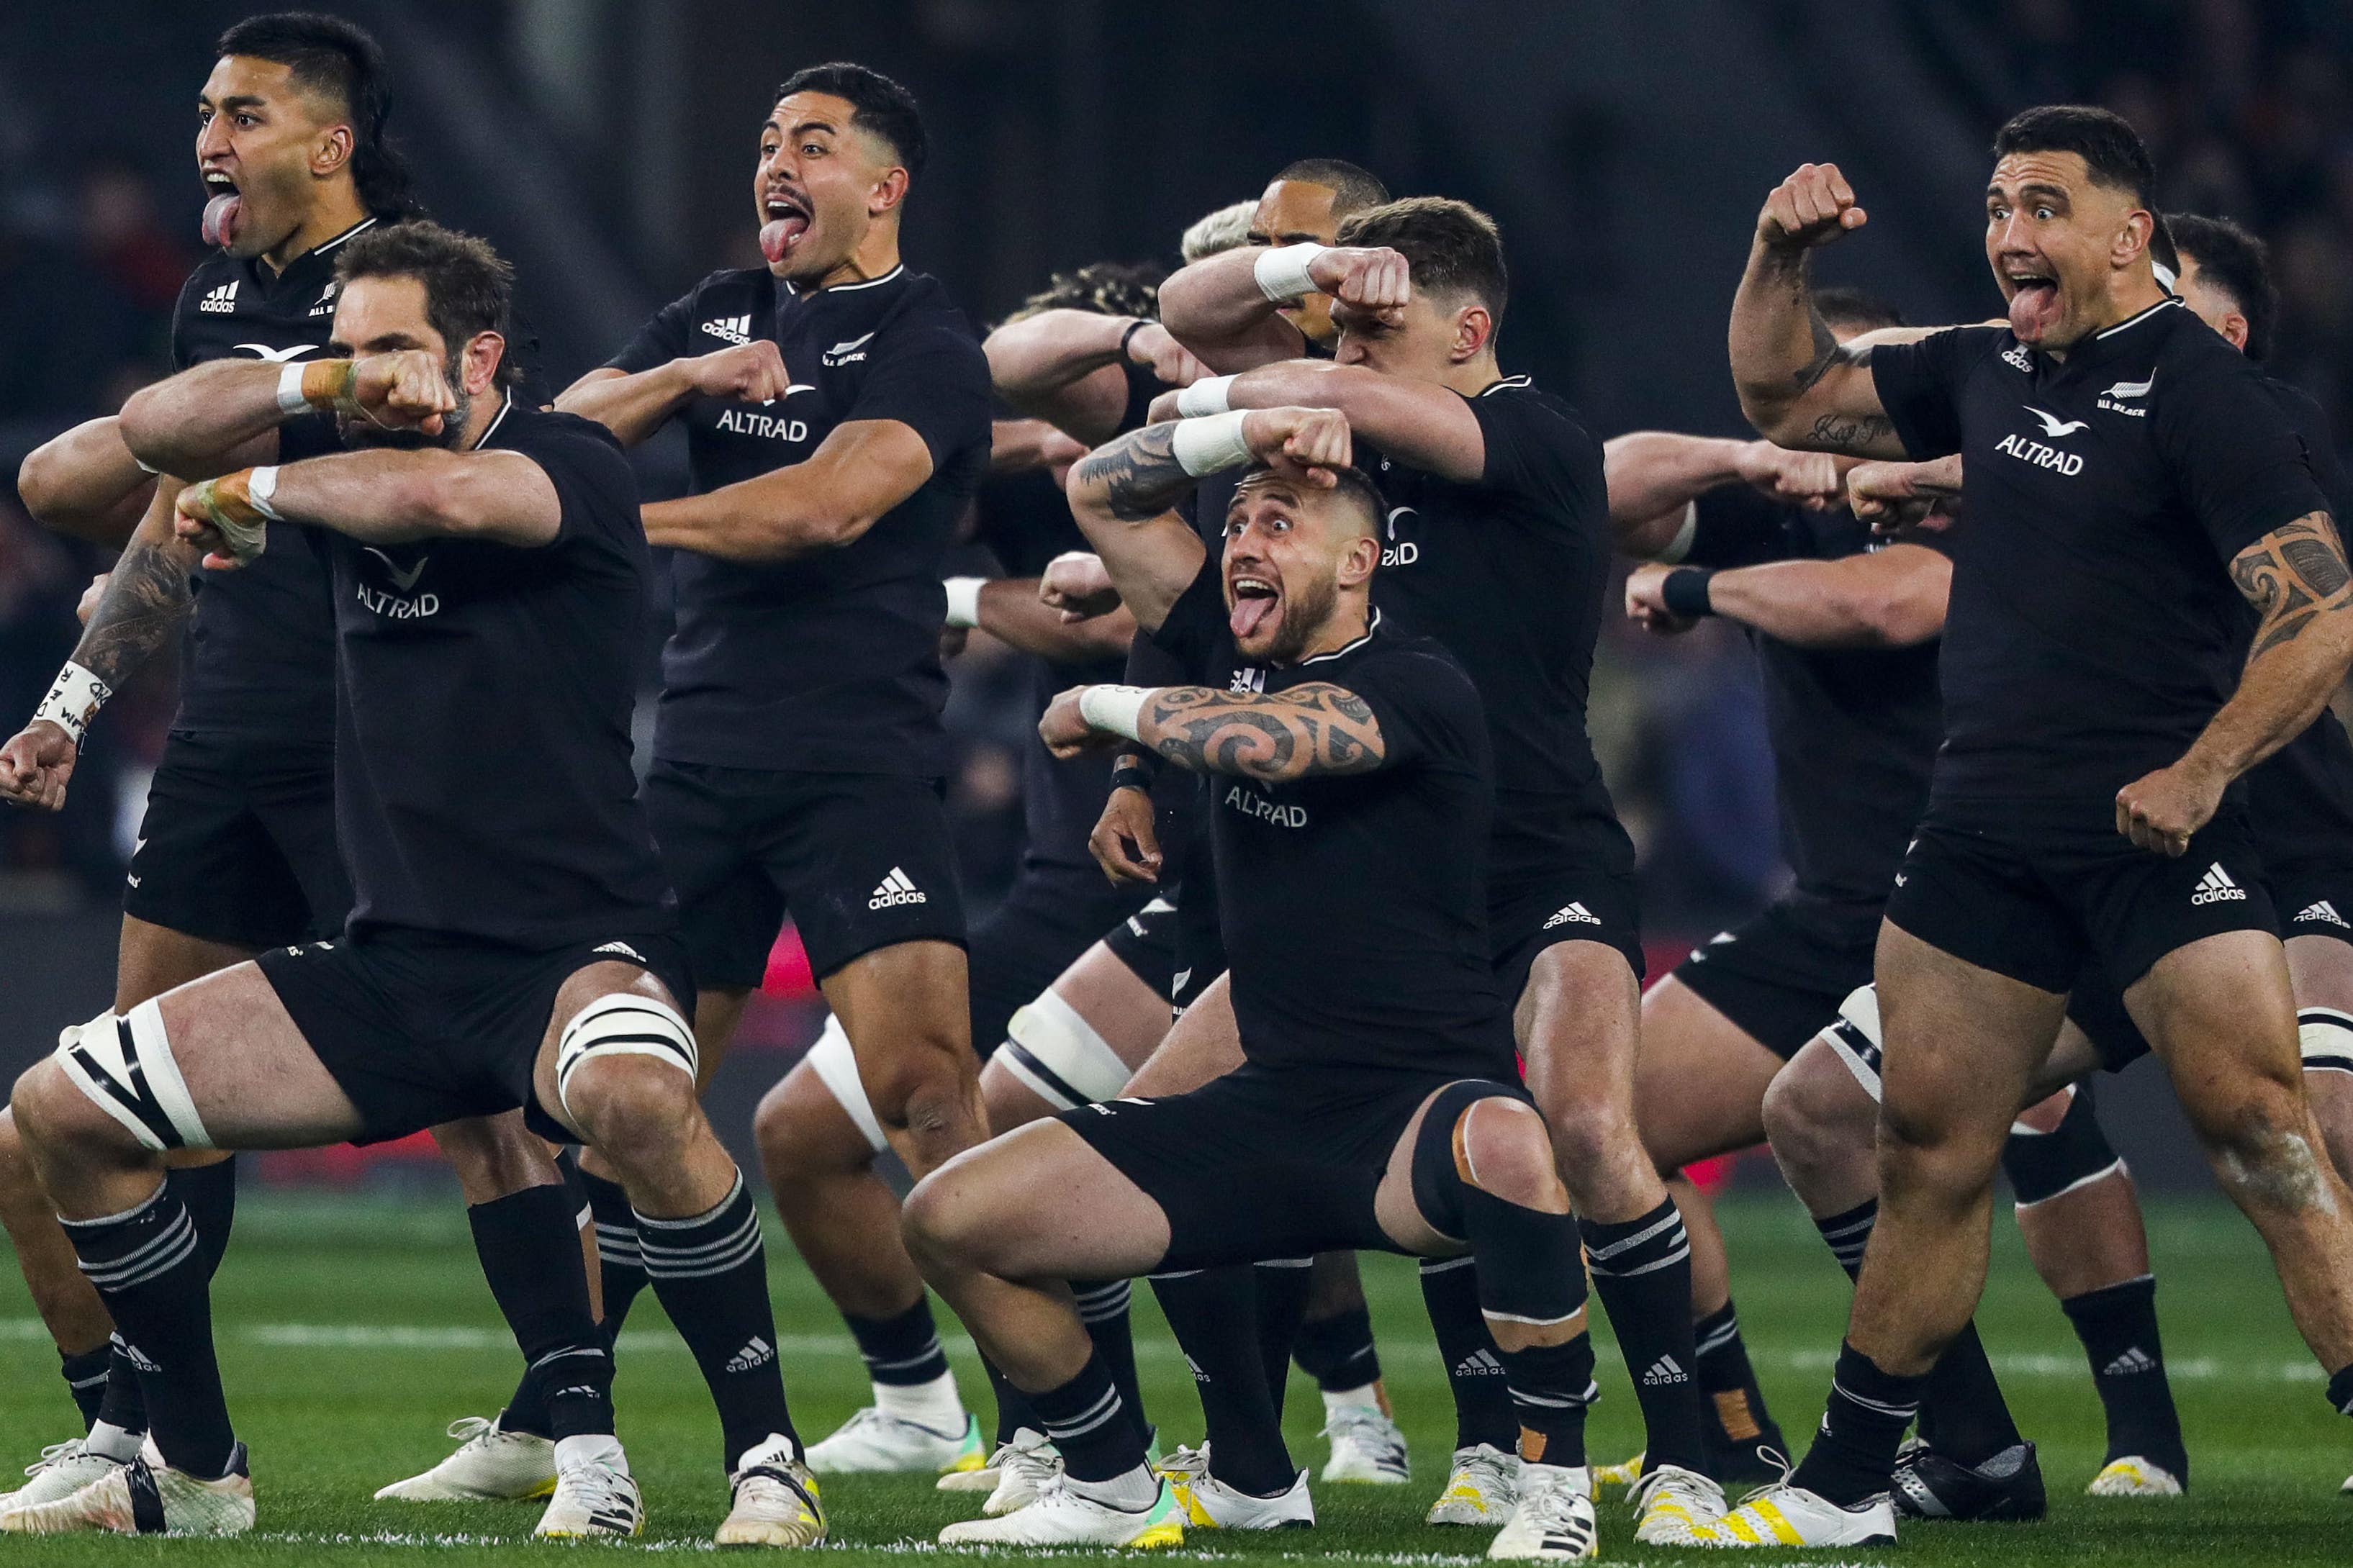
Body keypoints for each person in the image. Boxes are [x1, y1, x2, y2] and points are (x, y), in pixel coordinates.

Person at [1, 220, 821, 1546]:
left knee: (630, 1099)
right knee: (58, 1111)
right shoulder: (336, 432)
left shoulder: (565, 458)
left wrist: (260, 493)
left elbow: (441, 502)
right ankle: (199, 1471)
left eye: (394, 349)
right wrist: (307, 389)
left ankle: (767, 1460)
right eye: (347, 347)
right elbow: (120, 450)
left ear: (480, 356)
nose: (367, 375)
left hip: (573, 952)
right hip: (390, 966)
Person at [1704, 107, 2353, 1548]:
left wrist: (2203, 768)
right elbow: (1787, 396)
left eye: (2046, 207)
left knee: (2261, 1133)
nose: (2011, 233)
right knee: (1925, 1145)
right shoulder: (1981, 367)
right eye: (2001, 205)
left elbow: (2321, 612)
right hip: (1982, 828)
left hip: (2152, 836)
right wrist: (1775, 253)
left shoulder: (2203, 391)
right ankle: (1848, 1485)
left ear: (2131, 237)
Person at [0, 13, 600, 1515]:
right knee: (129, 1081)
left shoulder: (416, 289)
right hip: (230, 728)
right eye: (207, 107)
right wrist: (75, 700)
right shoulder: (219, 289)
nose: (208, 135)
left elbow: (473, 487)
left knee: (482, 1090)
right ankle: (144, 1434)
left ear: (327, 142)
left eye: (242, 111)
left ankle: (557, 1412)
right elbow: (154, 493)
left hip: (378, 731)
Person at [900, 402, 1607, 1560]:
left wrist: (1107, 707)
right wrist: (1250, 426)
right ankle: (1116, 1477)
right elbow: (1103, 491)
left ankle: (1551, 1485)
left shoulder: (1420, 677)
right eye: (1235, 523)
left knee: (1515, 1142)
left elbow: (1274, 743)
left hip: (1406, 1115)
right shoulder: (1233, 646)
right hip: (1261, 1096)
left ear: (1357, 561)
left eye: (1280, 525)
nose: (1242, 543)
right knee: (948, 1217)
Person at [1152, 196, 1723, 1543]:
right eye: (1339, 324)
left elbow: (1225, 365)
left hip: (1539, 856)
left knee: (1581, 1126)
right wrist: (1302, 267)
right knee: (1163, 1131)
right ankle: (1249, 1465)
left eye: (1374, 328)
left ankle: (1687, 1458)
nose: (1345, 350)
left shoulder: (1528, 435)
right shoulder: (1353, 458)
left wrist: (1235, 397)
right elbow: (1186, 317)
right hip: (1384, 867)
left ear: (1468, 331)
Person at [953, 167, 1414, 1521]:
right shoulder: (1228, 422)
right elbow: (1047, 398)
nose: (1265, 272)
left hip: (1363, 860)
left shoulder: (1405, 429)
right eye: (1258, 252)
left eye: (1297, 251)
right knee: (1020, 1110)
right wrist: (1143, 760)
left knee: (1429, 1169)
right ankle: (1102, 1438)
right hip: (1222, 849)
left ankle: (1420, 1443)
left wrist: (1113, 694)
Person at [554, 62, 994, 1471]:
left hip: (855, 760)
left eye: (814, 143)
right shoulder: (721, 312)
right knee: (632, 1097)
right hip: (696, 760)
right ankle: (559, 1419)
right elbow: (559, 432)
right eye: (764, 142)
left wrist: (632, 522)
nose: (776, 165)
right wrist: (683, 374)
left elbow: (828, 506)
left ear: (887, 182)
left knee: (924, 1086)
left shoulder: (928, 335)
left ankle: (1066, 1428)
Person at [795, 259, 1167, 1474]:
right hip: (1058, 880)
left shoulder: (1188, 466)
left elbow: (1134, 621)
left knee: (1069, 1154)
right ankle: (920, 1407)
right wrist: (973, 451)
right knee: (804, 1132)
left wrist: (945, 600)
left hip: (1150, 888)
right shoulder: (1024, 471)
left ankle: (1077, 1438)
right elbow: (883, 510)